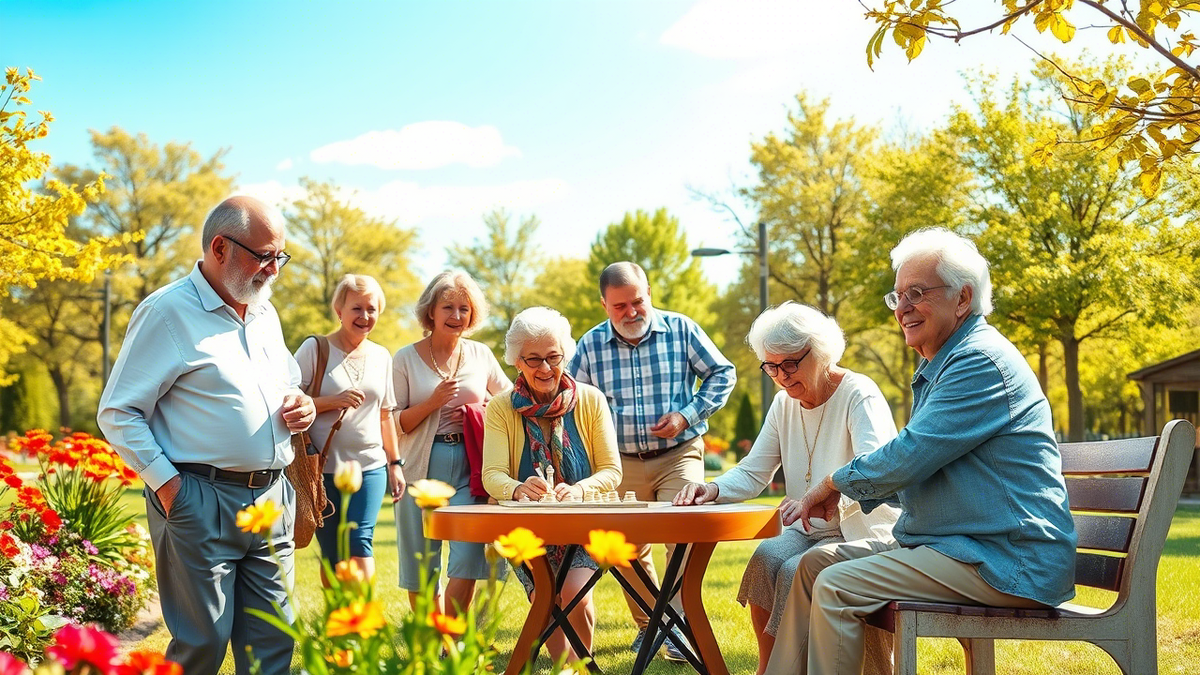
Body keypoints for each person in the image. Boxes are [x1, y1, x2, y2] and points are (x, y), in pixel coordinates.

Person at [764, 228, 1078, 675]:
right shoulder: (942, 363)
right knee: (813, 564)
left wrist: (834, 483)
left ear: (963, 298)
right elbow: (919, 470)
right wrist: (853, 488)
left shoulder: (978, 362)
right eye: (897, 297)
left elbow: (911, 454)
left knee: (836, 584)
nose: (903, 307)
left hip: (1006, 559)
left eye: (917, 292)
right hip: (961, 546)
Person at [97, 196, 315, 675]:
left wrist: (304, 404)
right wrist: (172, 489)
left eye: (280, 256)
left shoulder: (264, 313)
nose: (274, 269)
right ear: (220, 247)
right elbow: (118, 412)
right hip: (200, 497)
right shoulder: (166, 312)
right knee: (203, 644)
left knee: (274, 642)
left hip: (272, 500)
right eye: (264, 255)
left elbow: (289, 384)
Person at [673, 302, 898, 675]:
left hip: (858, 527)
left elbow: (875, 466)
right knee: (765, 559)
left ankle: (794, 669)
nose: (781, 376)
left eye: (791, 363)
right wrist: (711, 490)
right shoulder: (783, 404)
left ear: (821, 352)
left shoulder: (859, 393)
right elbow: (753, 471)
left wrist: (833, 491)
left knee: (795, 570)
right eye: (771, 366)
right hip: (809, 528)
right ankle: (769, 669)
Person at [568, 261, 736, 660]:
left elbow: (722, 373)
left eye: (637, 302)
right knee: (625, 546)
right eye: (619, 306)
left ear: (649, 294)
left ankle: (676, 623)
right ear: (604, 304)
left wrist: (687, 415)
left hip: (679, 454)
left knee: (684, 530)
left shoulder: (681, 329)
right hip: (618, 463)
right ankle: (651, 625)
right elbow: (573, 403)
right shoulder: (589, 346)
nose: (631, 312)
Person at [482, 306, 622, 663]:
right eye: (534, 359)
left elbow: (611, 471)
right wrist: (517, 487)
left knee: (574, 589)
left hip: (586, 521)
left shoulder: (590, 400)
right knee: (544, 598)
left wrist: (579, 490)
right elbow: (492, 474)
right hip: (529, 526)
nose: (545, 368)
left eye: (553, 357)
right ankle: (567, 669)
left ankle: (578, 668)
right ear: (517, 361)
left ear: (565, 355)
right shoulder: (500, 408)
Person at [392, 270, 511, 616]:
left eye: (464, 308)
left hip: (471, 464)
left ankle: (453, 639)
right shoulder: (405, 358)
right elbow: (395, 422)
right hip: (420, 467)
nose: (456, 316)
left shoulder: (480, 355)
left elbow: (508, 402)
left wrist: (484, 409)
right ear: (431, 311)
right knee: (421, 560)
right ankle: (433, 645)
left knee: (470, 555)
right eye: (448, 307)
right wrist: (432, 401)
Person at [295, 274, 402, 583]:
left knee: (359, 540)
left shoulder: (382, 356)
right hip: (320, 470)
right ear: (339, 310)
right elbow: (287, 400)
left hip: (369, 466)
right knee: (332, 552)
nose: (364, 316)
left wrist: (395, 464)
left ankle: (362, 622)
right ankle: (338, 624)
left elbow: (385, 413)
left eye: (372, 309)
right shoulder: (315, 349)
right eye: (357, 308)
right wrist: (332, 401)